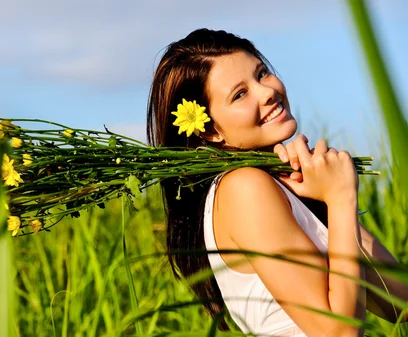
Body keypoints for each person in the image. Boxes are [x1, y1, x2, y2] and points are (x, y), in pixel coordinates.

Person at [146, 28, 408, 337]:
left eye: (262, 73)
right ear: (209, 132)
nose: (267, 92)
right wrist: (340, 199)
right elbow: (339, 333)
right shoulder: (243, 187)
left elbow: (400, 304)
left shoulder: (274, 184)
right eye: (239, 94)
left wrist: (326, 202)